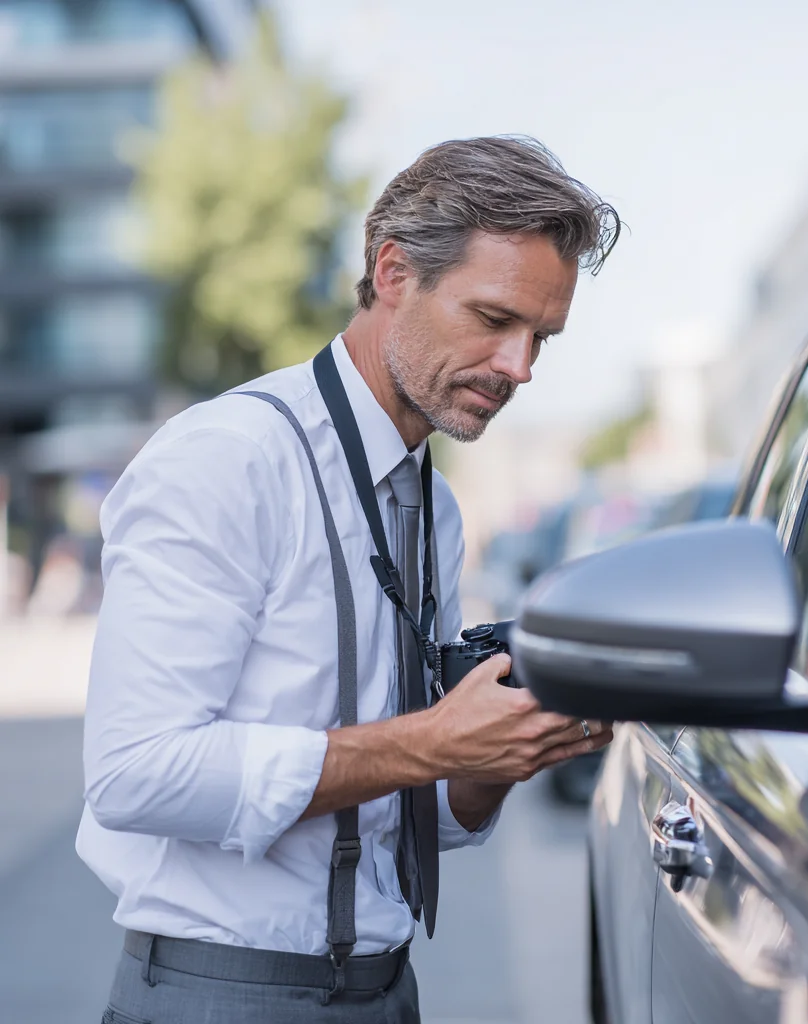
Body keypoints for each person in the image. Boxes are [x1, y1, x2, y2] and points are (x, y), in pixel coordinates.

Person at [79, 135, 620, 1023]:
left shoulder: (434, 505)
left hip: (387, 990)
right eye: (494, 319)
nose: (519, 368)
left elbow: (417, 813)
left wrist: (510, 743)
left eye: (541, 338)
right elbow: (135, 773)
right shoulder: (229, 458)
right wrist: (431, 741)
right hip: (221, 997)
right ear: (394, 272)